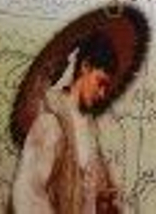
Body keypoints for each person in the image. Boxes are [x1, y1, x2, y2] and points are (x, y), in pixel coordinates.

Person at [11, 30, 123, 213]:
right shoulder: (51, 121)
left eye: (106, 87)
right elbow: (27, 191)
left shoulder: (90, 127)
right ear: (85, 66)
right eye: (100, 83)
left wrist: (103, 200)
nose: (102, 94)